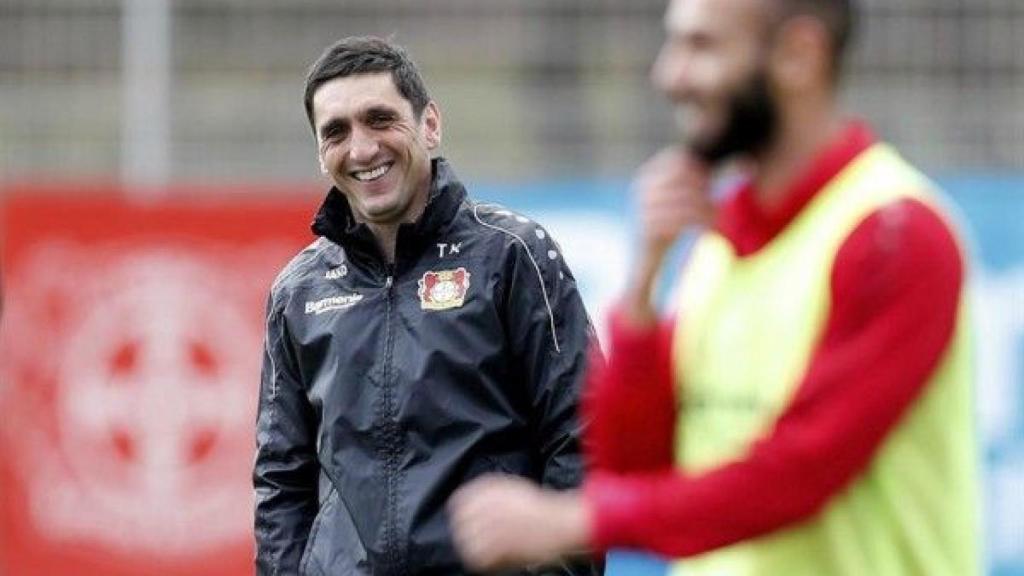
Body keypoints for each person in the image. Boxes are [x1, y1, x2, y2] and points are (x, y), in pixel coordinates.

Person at [449, 0, 980, 574]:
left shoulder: (896, 232)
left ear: (800, 54)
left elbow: (799, 473)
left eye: (701, 46)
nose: (668, 75)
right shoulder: (716, 240)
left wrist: (576, 519)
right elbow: (636, 467)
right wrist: (644, 284)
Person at [253, 36, 601, 576]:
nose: (362, 149)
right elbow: (281, 479)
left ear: (430, 124)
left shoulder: (512, 255)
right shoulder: (298, 291)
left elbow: (582, 434)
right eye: (336, 132)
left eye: (380, 119)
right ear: (321, 154)